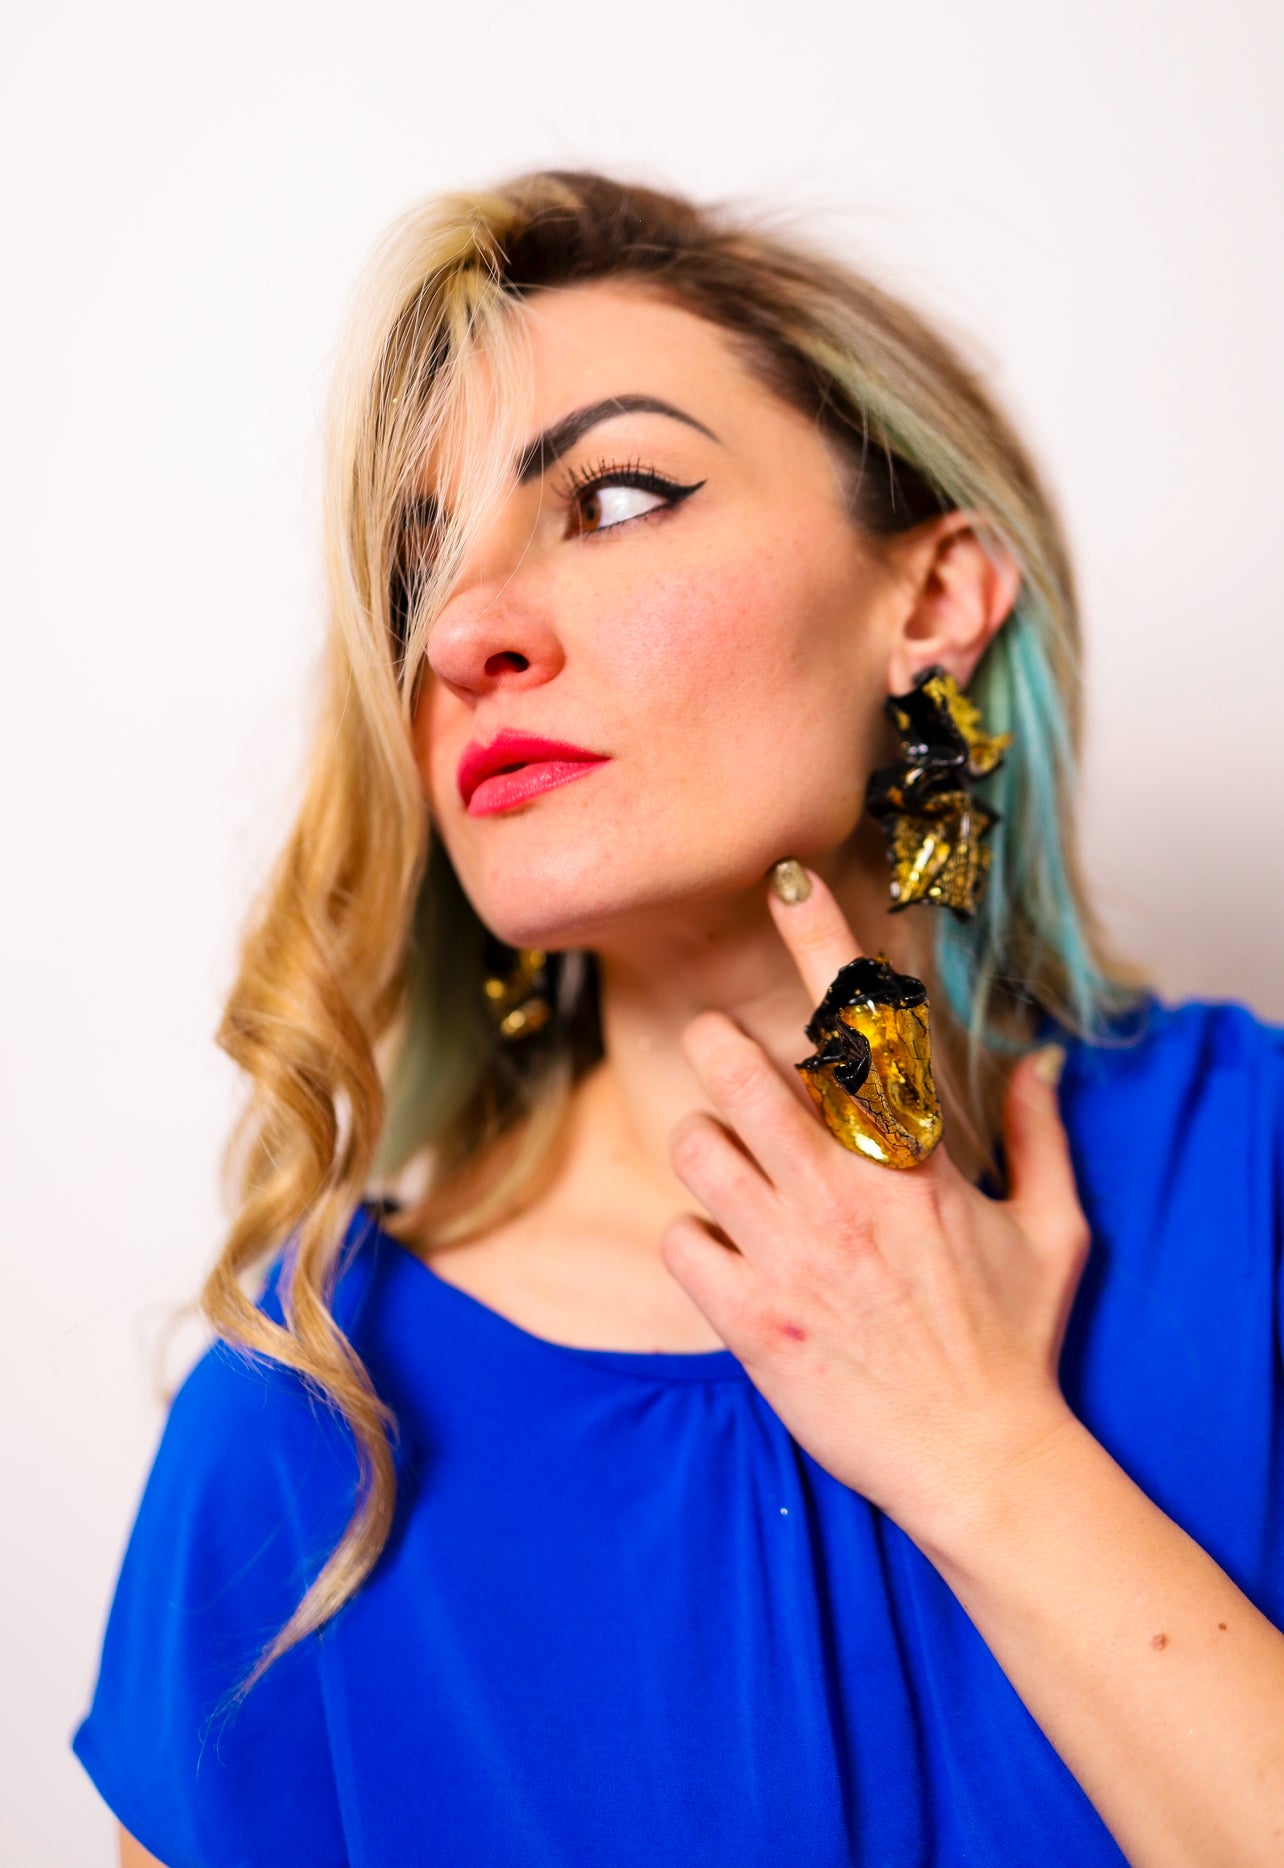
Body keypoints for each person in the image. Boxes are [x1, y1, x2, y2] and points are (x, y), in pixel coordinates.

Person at [72, 168, 1284, 1868]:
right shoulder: (308, 1420)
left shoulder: (1252, 1181)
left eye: (618, 499)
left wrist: (989, 1452)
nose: (467, 631)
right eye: (417, 576)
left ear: (933, 601)